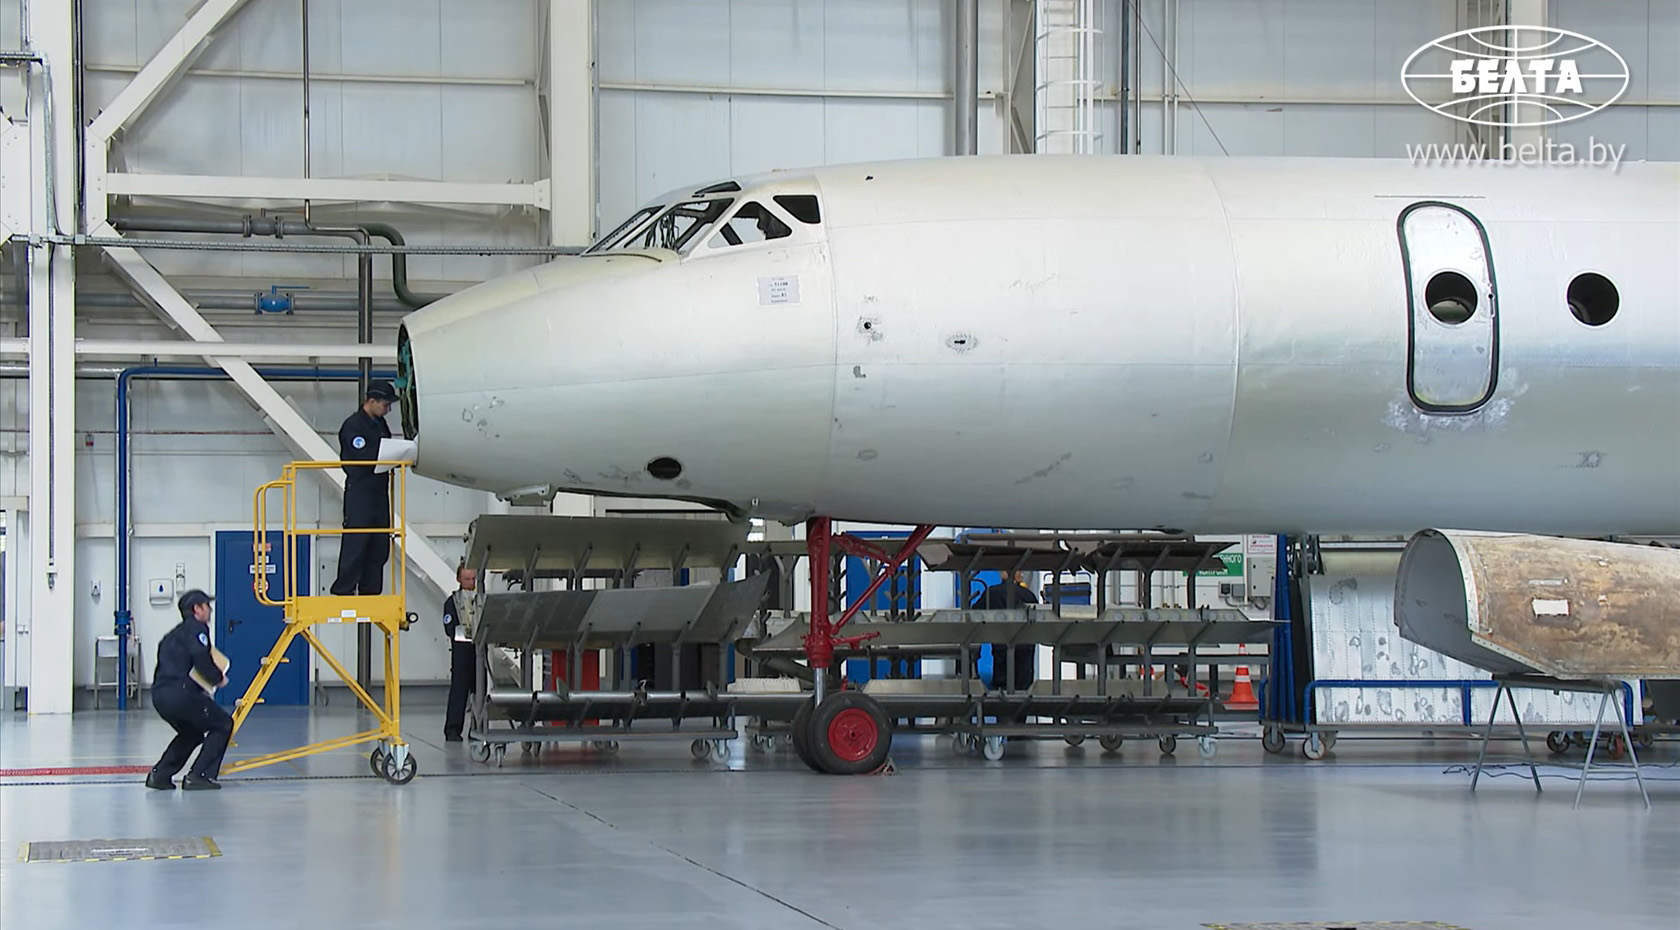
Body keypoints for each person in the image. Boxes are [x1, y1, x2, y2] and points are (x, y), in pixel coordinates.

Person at [145, 590, 234, 790]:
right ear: (197, 609)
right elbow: (201, 657)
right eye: (207, 605)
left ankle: (159, 775)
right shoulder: (197, 629)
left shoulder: (172, 635)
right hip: (182, 693)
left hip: (160, 696)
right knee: (223, 724)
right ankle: (199, 775)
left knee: (192, 732)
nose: (210, 610)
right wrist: (218, 678)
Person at [330, 379, 397, 596]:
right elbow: (363, 456)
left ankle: (371, 590)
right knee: (357, 540)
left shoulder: (380, 424)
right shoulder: (354, 426)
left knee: (379, 543)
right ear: (371, 401)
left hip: (379, 491)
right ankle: (344, 589)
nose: (388, 409)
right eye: (385, 405)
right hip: (361, 490)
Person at [972, 570, 1038, 691]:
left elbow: (974, 613)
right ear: (1017, 575)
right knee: (1023, 686)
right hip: (1025, 646)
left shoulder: (992, 593)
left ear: (1002, 574)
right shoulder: (1028, 595)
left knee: (1002, 686)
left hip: (1001, 645)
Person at [441, 564, 478, 742]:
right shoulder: (451, 603)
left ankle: (478, 728)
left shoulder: (481, 599)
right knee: (459, 691)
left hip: (478, 650)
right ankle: (453, 729)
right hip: (461, 651)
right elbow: (449, 627)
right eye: (467, 579)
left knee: (479, 691)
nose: (471, 583)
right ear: (459, 580)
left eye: (473, 579)